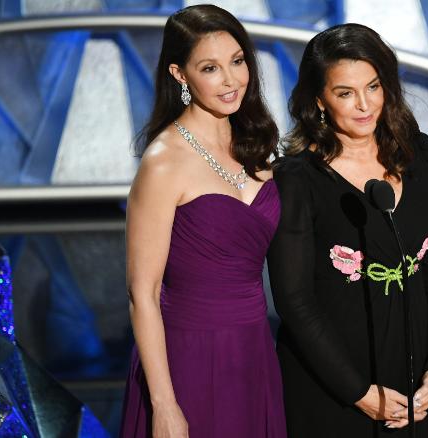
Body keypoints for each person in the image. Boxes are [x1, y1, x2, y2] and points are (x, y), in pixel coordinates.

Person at [267, 23, 428, 437]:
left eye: (373, 86)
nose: (363, 105)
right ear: (319, 99)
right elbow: (295, 302)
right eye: (345, 93)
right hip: (336, 391)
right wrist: (361, 393)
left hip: (417, 388)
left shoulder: (419, 153)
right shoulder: (297, 178)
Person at [120, 5, 285, 437]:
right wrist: (164, 404)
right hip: (186, 359)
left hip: (253, 352)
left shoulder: (257, 146)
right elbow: (143, 293)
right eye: (211, 68)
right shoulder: (163, 162)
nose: (231, 80)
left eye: (237, 61)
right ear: (180, 75)